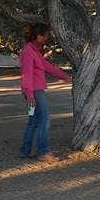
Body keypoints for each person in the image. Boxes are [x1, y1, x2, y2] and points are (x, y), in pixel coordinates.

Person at [19, 23, 71, 162]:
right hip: (35, 93)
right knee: (44, 120)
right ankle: (43, 152)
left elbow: (46, 66)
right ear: (39, 36)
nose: (47, 38)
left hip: (33, 92)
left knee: (33, 120)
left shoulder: (34, 51)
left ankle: (25, 151)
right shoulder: (28, 52)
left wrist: (63, 76)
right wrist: (30, 95)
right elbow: (27, 74)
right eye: (46, 35)